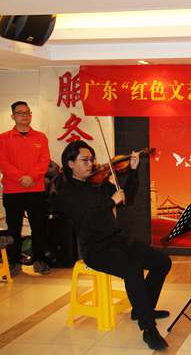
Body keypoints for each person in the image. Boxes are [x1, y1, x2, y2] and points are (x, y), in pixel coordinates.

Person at [54, 141, 171, 350]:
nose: (91, 164)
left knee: (162, 262)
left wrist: (133, 171)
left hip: (117, 239)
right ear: (70, 163)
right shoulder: (66, 192)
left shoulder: (97, 183)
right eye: (84, 160)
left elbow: (127, 197)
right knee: (133, 269)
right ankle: (148, 328)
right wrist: (111, 202)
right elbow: (85, 219)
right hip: (95, 249)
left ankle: (142, 309)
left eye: (92, 159)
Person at [0, 101, 51, 276]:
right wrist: (20, 178)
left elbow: (44, 161)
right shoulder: (3, 138)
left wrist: (32, 177)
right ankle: (14, 262)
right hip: (13, 190)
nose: (24, 115)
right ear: (13, 116)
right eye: (20, 113)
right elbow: (3, 162)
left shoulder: (41, 137)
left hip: (36, 189)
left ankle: (39, 260)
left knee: (39, 226)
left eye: (27, 112)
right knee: (13, 227)